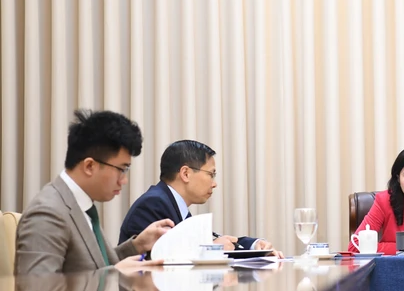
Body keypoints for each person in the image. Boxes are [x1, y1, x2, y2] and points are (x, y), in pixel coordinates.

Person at [15, 109, 171, 275]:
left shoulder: (80, 204)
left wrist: (137, 246)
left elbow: (94, 265)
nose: (123, 180)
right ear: (90, 166)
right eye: (121, 169)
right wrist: (114, 275)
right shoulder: (47, 213)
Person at [119, 140, 284, 258]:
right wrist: (212, 249)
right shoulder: (153, 204)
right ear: (185, 173)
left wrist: (254, 246)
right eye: (211, 174)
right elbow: (158, 260)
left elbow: (211, 239)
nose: (214, 184)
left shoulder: (171, 204)